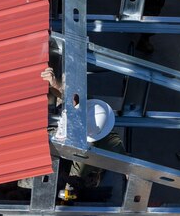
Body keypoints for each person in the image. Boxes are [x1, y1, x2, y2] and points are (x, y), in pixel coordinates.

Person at [41, 68, 126, 196]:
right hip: (69, 148)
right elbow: (69, 96)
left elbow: (127, 165)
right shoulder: (90, 109)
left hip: (82, 169)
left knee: (73, 183)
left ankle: (67, 191)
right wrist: (54, 82)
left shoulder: (110, 144)